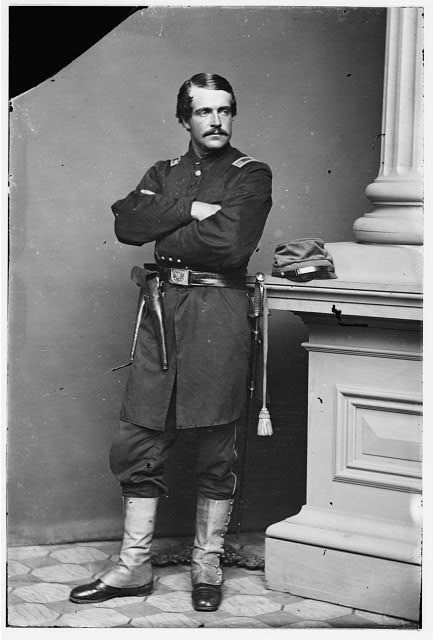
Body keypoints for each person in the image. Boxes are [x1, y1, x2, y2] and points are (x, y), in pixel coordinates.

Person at [69, 73, 272, 612]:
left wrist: (166, 221)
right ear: (185, 119)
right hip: (161, 314)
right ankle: (133, 566)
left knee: (218, 442)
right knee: (139, 436)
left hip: (219, 314)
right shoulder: (163, 173)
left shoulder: (251, 174)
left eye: (224, 110)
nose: (216, 121)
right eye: (204, 112)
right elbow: (127, 225)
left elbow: (230, 244)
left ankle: (207, 565)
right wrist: (191, 210)